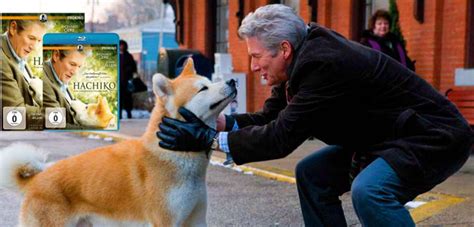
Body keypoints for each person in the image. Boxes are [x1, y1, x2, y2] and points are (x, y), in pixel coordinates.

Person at [156, 4, 473, 227]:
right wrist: (221, 124)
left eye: (256, 56)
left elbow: (280, 138)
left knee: (371, 191)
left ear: (283, 50)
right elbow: (271, 118)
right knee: (312, 174)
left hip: (431, 136)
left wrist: (209, 139)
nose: (253, 67)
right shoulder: (300, 62)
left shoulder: (323, 65)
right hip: (387, 138)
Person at [1, 19, 48, 130]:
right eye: (31, 38)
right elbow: (16, 112)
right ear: (13, 28)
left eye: (39, 41)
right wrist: (57, 114)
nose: (35, 47)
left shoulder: (16, 53)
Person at [43, 49, 87, 128]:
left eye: (79, 66)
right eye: (72, 64)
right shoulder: (44, 80)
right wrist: (95, 129)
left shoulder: (60, 77)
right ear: (56, 55)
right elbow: (56, 124)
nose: (75, 72)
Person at [119, 40, 137, 119]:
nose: (121, 47)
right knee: (119, 98)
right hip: (118, 81)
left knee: (128, 98)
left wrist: (128, 70)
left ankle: (129, 113)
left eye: (122, 45)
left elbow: (134, 68)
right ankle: (119, 114)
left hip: (127, 81)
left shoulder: (129, 56)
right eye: (120, 45)